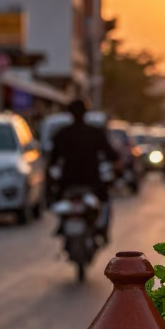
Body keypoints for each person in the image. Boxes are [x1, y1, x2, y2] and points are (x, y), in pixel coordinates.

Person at [48, 99, 119, 241]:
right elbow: (111, 154)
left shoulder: (62, 134)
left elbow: (53, 160)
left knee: (57, 197)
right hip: (91, 179)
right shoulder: (95, 133)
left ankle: (62, 225)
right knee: (104, 200)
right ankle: (102, 230)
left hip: (68, 180)